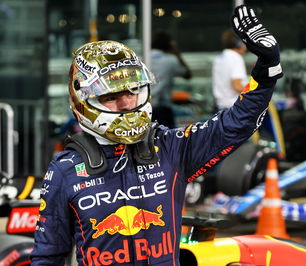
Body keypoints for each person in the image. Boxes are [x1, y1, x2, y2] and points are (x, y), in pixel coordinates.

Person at [30, 5, 283, 265]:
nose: (127, 103)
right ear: (82, 102)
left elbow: (234, 125)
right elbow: (47, 257)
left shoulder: (170, 147)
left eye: (132, 90)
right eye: (111, 96)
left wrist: (267, 69)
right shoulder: (64, 171)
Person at [150, 31, 192, 128]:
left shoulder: (142, 58)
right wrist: (177, 53)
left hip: (145, 105)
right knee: (167, 138)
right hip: (163, 107)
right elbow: (188, 74)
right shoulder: (170, 61)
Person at [212, 29, 247, 110]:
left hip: (220, 107)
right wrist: (255, 93)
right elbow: (237, 86)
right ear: (238, 44)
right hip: (233, 107)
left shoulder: (219, 58)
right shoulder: (236, 58)